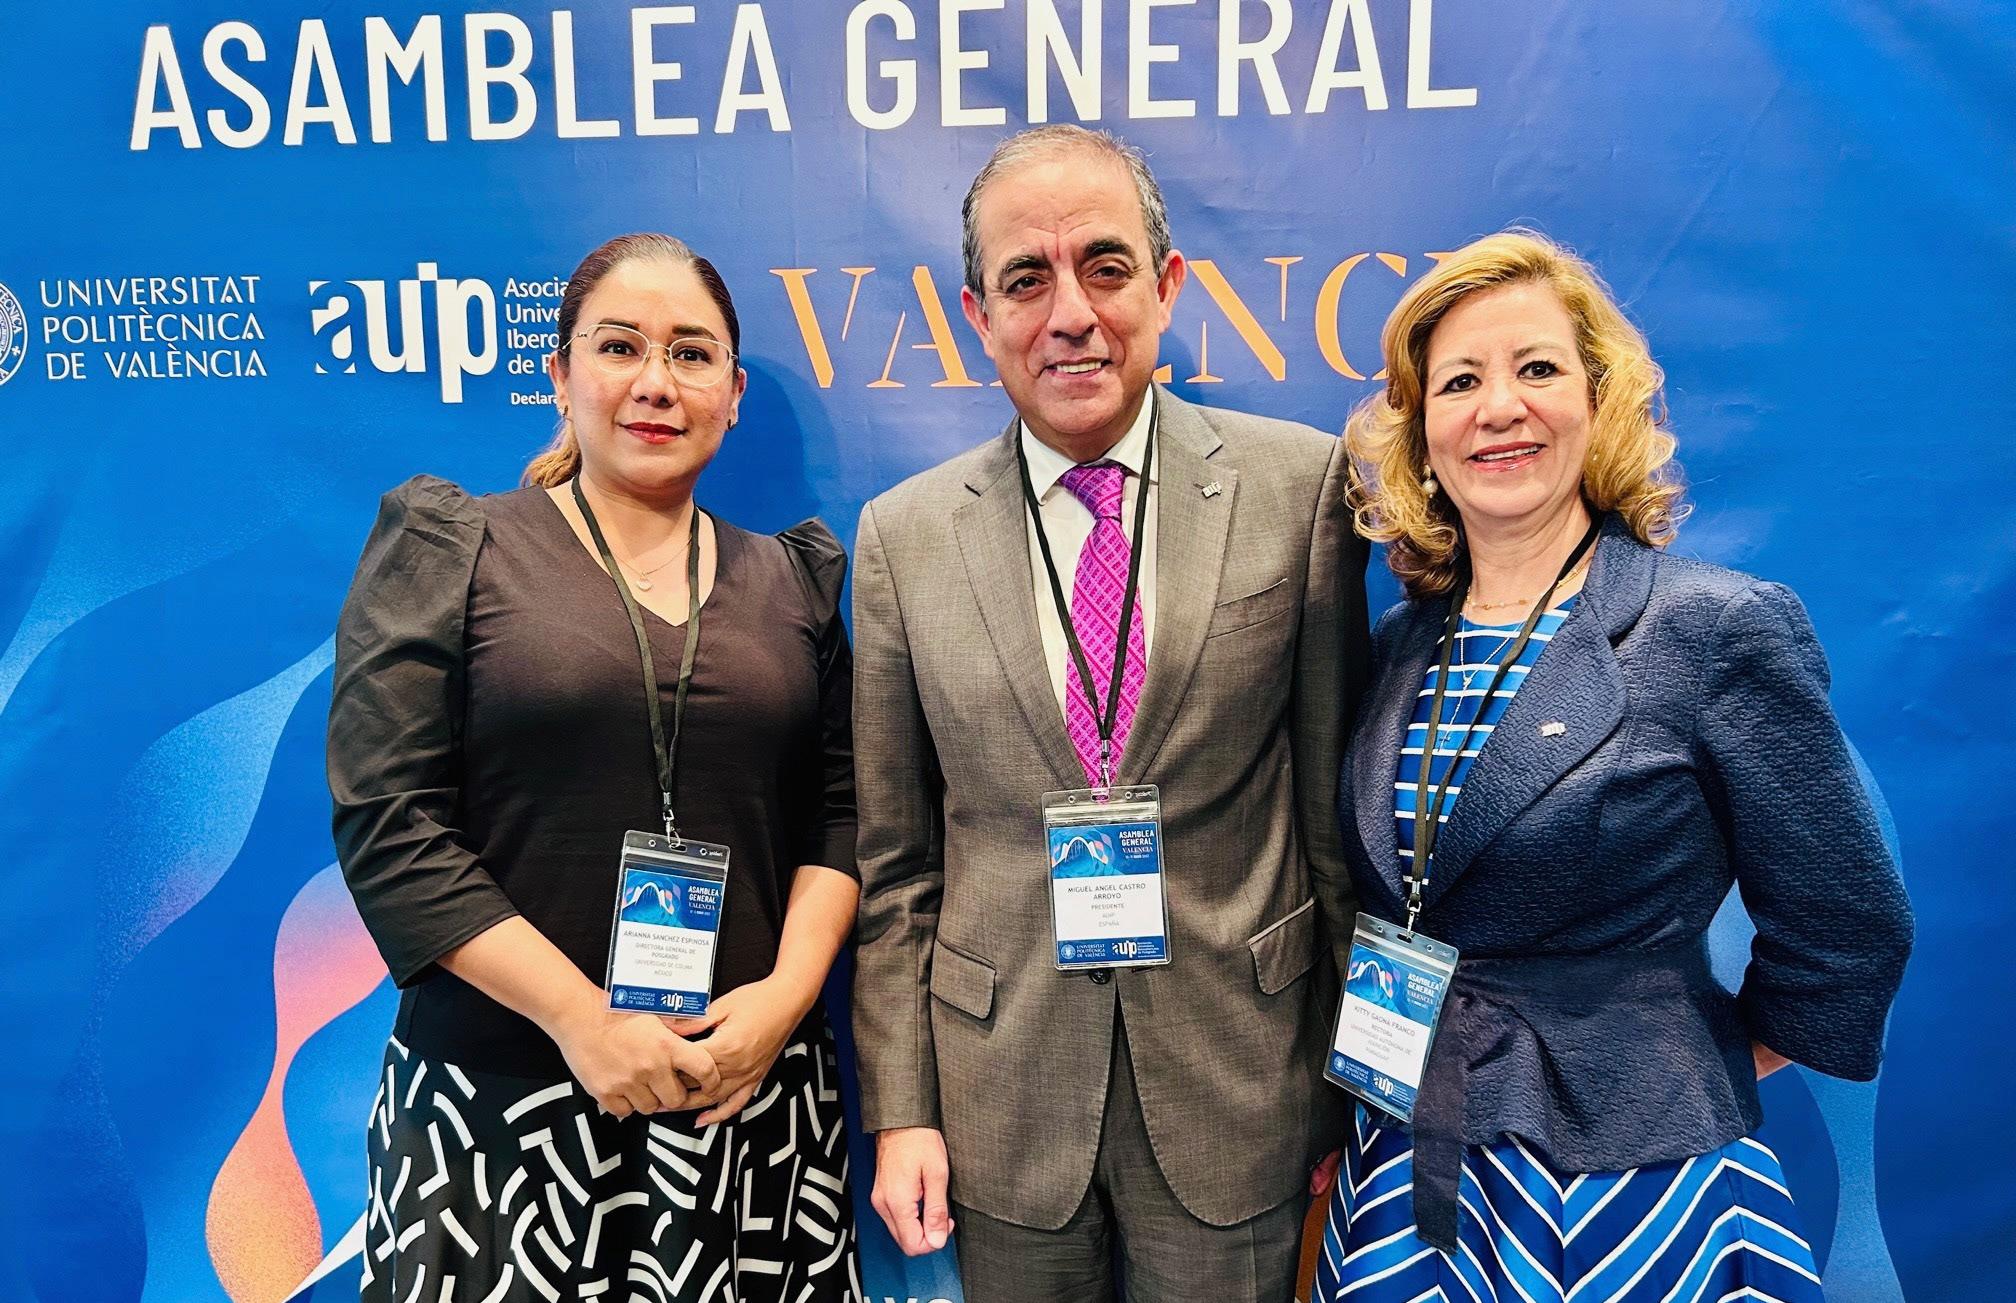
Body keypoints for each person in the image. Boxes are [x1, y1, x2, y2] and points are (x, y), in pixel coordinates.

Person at [1314, 230, 1912, 1300]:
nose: (1500, 407)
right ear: (1423, 433)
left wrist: (1680, 1055)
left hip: (1633, 1180)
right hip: (1407, 1149)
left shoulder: (1716, 626)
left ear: (1600, 402)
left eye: (1537, 368)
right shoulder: (1403, 642)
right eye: (1460, 381)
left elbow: (1849, 923)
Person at [849, 125, 1371, 1303]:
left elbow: (1332, 828)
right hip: (1001, 1092)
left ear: (1167, 284)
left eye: (1105, 266)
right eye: (1026, 280)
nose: (1071, 314)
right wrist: (904, 1109)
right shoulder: (902, 539)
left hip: (1241, 1081)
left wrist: (1348, 1085)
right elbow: (897, 871)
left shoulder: (1301, 489)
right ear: (979, 315)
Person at [328, 233, 862, 1301]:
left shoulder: (792, 581)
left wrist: (784, 1001)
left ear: (733, 395)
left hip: (744, 1111)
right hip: (500, 1117)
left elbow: (842, 813)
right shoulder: (454, 548)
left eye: (692, 354)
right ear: (561, 375)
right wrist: (583, 1020)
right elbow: (391, 825)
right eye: (620, 347)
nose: (656, 383)